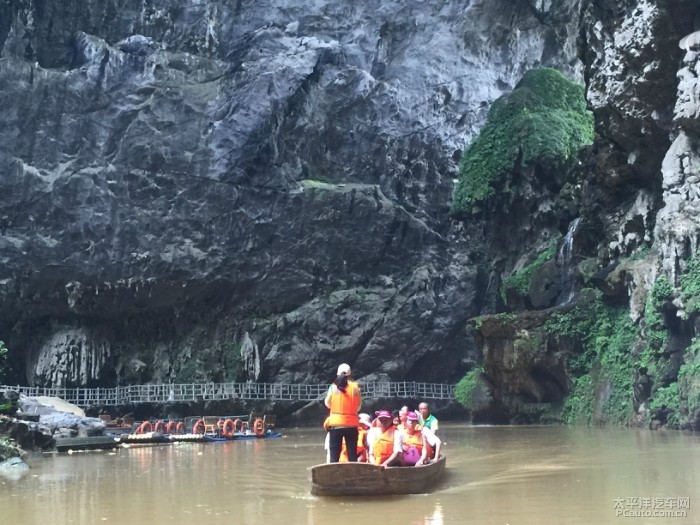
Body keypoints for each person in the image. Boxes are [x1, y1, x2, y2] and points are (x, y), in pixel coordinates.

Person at [324, 363, 362, 463]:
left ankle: (334, 475)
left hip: (336, 425)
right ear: (350, 375)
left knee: (334, 456)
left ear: (337, 374)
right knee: (352, 456)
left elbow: (327, 403)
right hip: (351, 425)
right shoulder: (355, 388)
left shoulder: (333, 387)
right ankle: (353, 475)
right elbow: (358, 407)